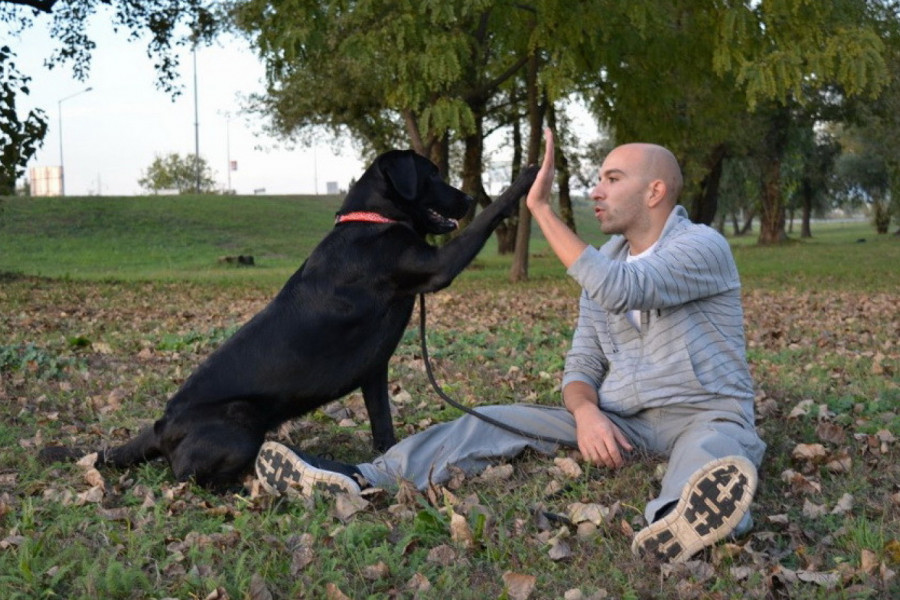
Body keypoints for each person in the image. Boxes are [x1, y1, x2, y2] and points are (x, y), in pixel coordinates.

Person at [254, 130, 766, 563]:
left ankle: (677, 524)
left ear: (655, 192)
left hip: (705, 411)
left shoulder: (702, 247)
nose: (597, 190)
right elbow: (582, 362)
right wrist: (586, 413)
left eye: (613, 179)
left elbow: (621, 288)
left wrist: (539, 208)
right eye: (599, 178)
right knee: (488, 419)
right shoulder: (607, 259)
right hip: (624, 419)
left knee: (712, 452)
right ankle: (361, 479)